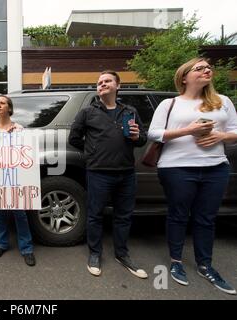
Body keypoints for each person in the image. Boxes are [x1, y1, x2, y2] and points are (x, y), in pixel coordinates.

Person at [148, 58, 237, 295]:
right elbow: (154, 133)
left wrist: (220, 137)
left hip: (215, 167)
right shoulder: (170, 103)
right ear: (184, 77)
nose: (207, 70)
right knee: (178, 215)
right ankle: (176, 262)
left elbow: (235, 131)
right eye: (200, 68)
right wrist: (190, 130)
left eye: (209, 67)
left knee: (206, 218)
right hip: (177, 167)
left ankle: (205, 265)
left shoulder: (223, 102)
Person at [69, 70, 148, 278]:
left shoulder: (129, 110)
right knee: (95, 215)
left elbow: (142, 139)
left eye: (107, 81)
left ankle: (122, 254)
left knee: (123, 216)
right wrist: (91, 151)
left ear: (118, 85)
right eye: (99, 82)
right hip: (98, 173)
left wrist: (138, 136)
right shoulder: (88, 112)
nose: (102, 84)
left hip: (126, 172)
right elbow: (74, 138)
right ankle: (95, 253)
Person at [0, 95, 36, 267]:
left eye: (2, 103)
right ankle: (1, 244)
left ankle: (27, 248)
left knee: (19, 212)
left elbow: (24, 152)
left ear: (9, 108)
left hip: (15, 175)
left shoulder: (18, 128)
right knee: (0, 212)